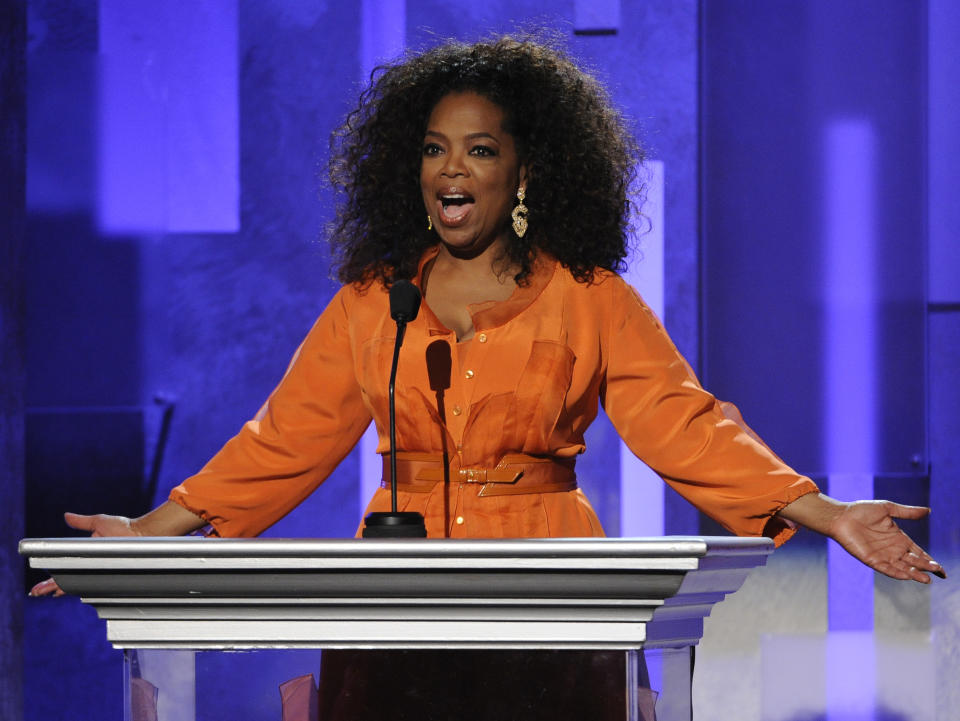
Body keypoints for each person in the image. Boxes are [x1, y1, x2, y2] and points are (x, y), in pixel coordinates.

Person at [31, 33, 943, 719]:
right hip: (394, 595)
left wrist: (824, 510)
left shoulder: (591, 297)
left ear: (523, 170)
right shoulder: (372, 301)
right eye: (433, 148)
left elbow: (684, 422)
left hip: (555, 593)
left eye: (478, 148)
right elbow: (287, 436)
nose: (450, 170)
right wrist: (146, 536)